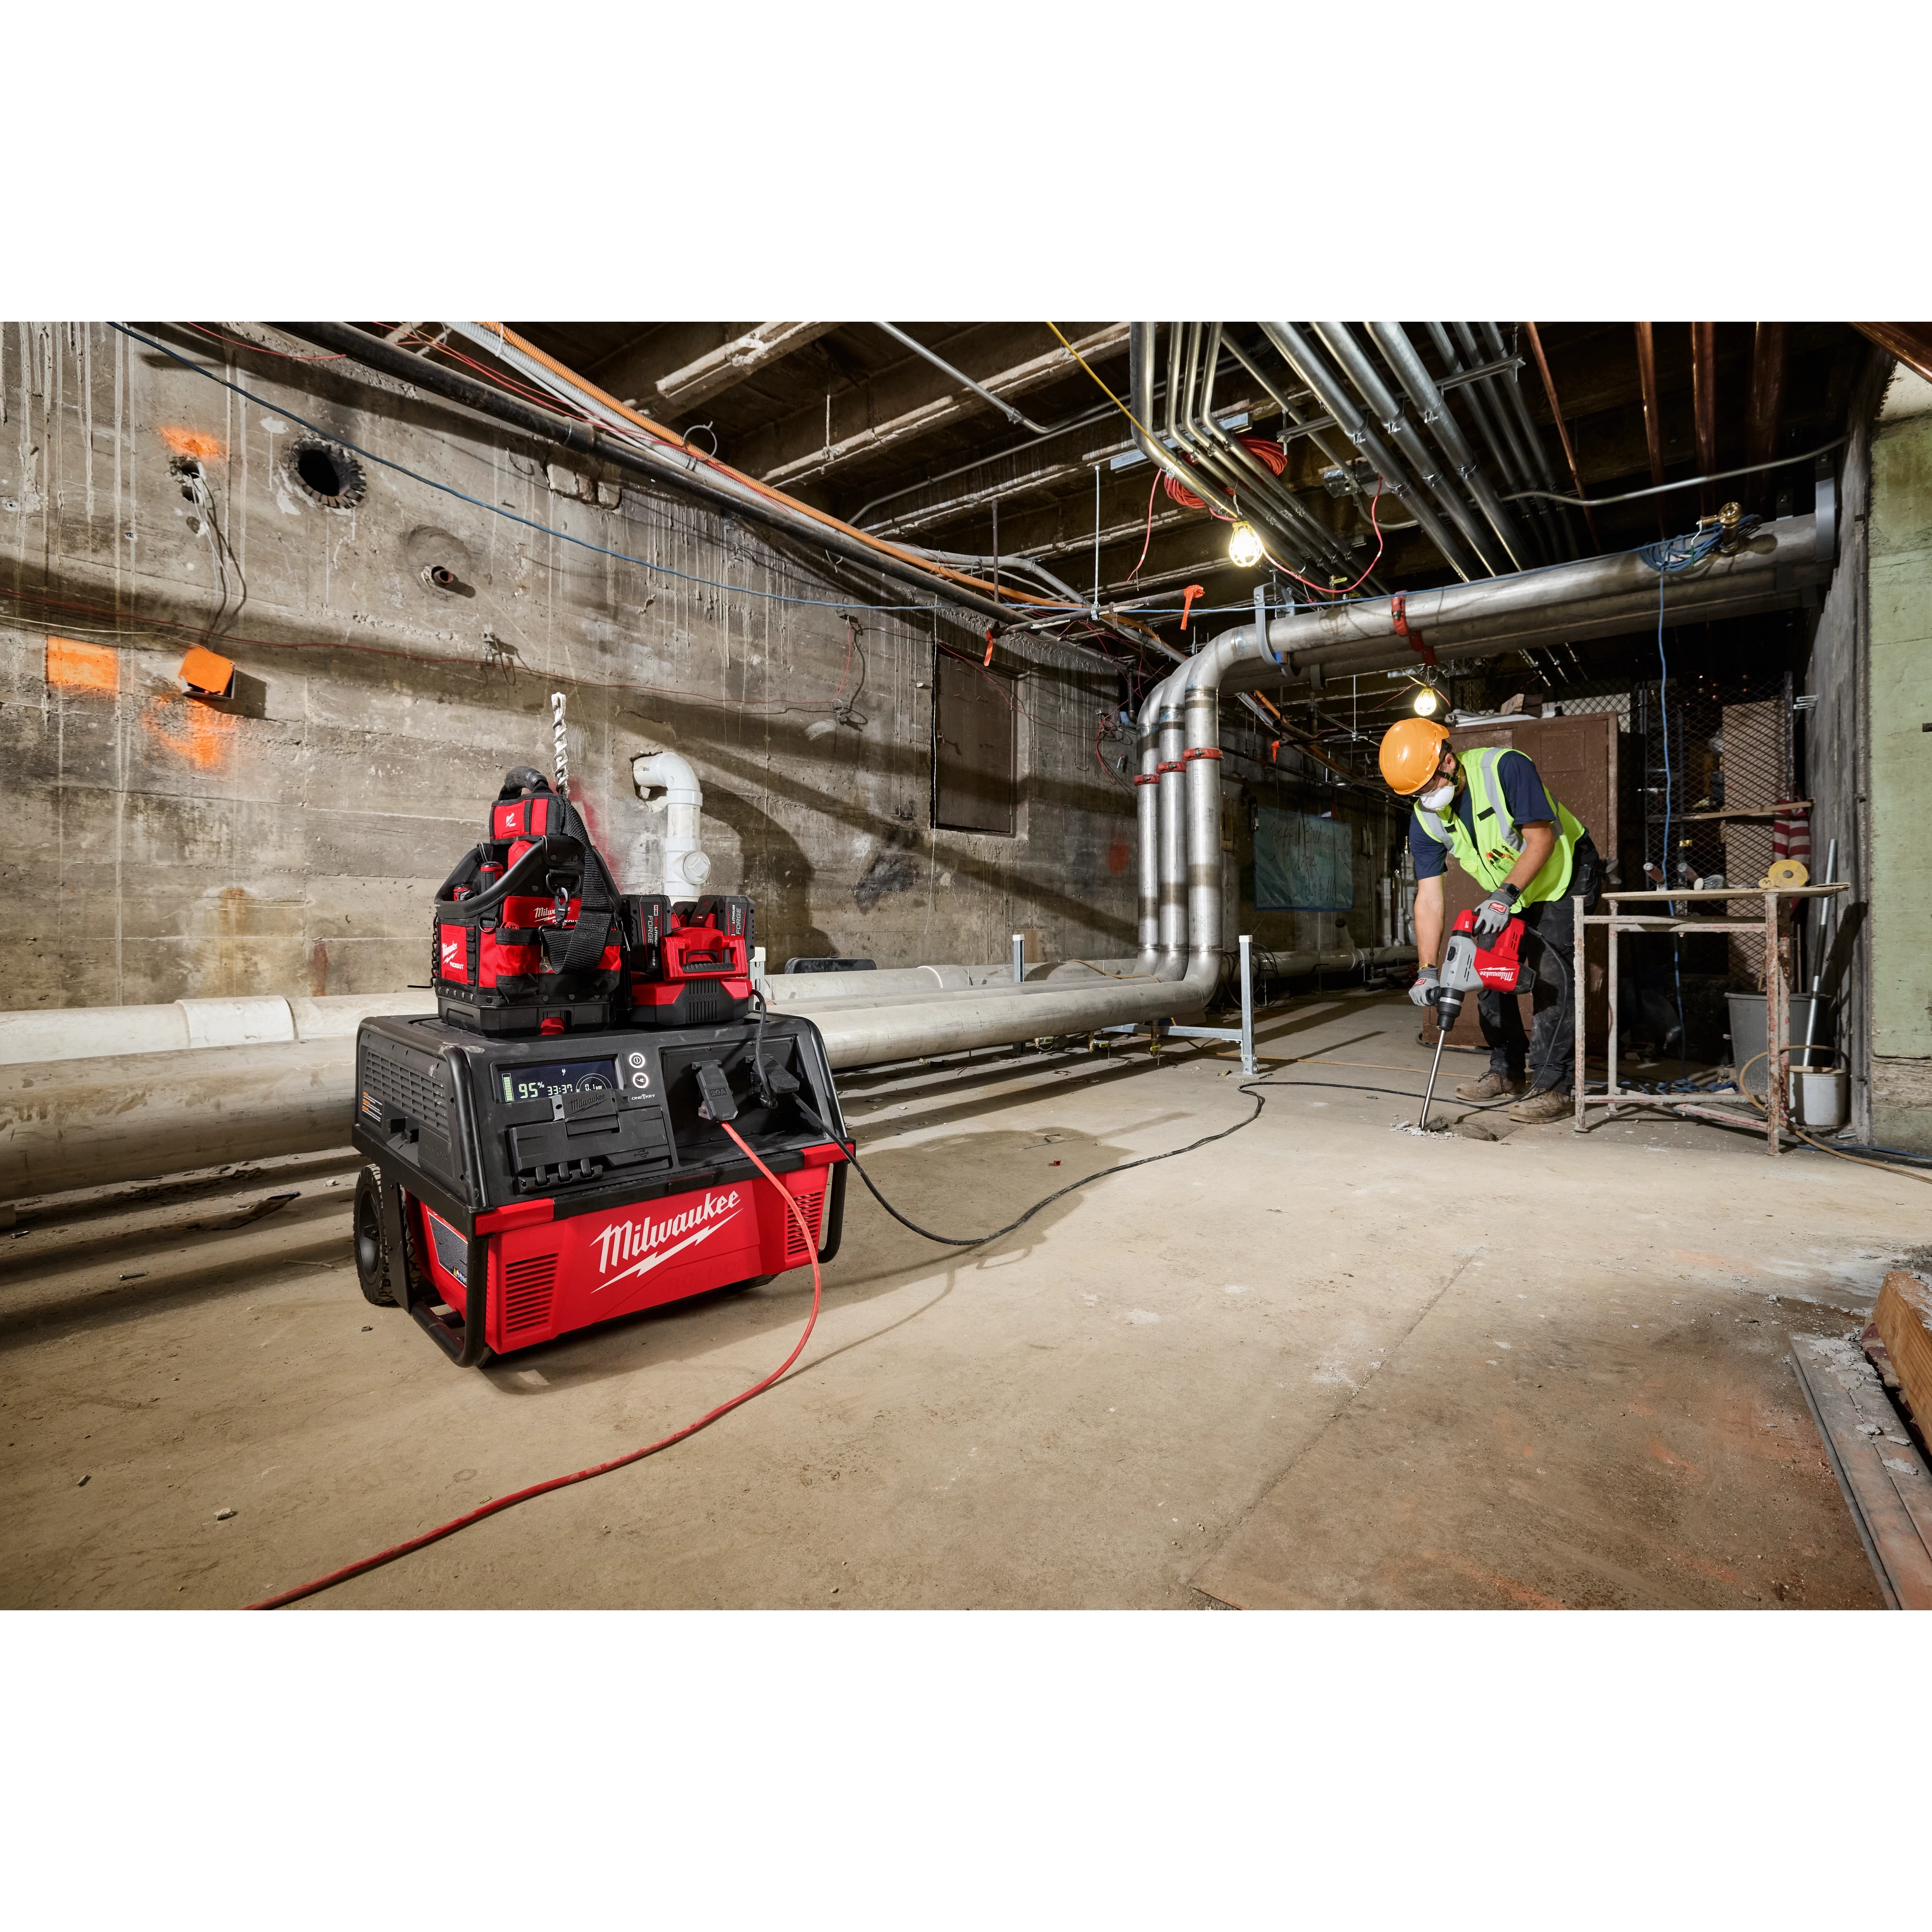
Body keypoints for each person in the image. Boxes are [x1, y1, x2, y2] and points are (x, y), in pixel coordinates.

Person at [1378, 716, 1603, 1124]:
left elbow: (1542, 840)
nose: (1424, 797)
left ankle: (1554, 1086)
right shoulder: (1425, 817)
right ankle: (1506, 1071)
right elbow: (1428, 898)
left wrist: (1504, 897)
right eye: (1414, 793)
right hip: (1511, 887)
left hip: (1565, 874)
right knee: (1478, 968)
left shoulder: (1505, 768)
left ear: (1447, 761)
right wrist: (1427, 971)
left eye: (1426, 785)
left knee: (1554, 974)